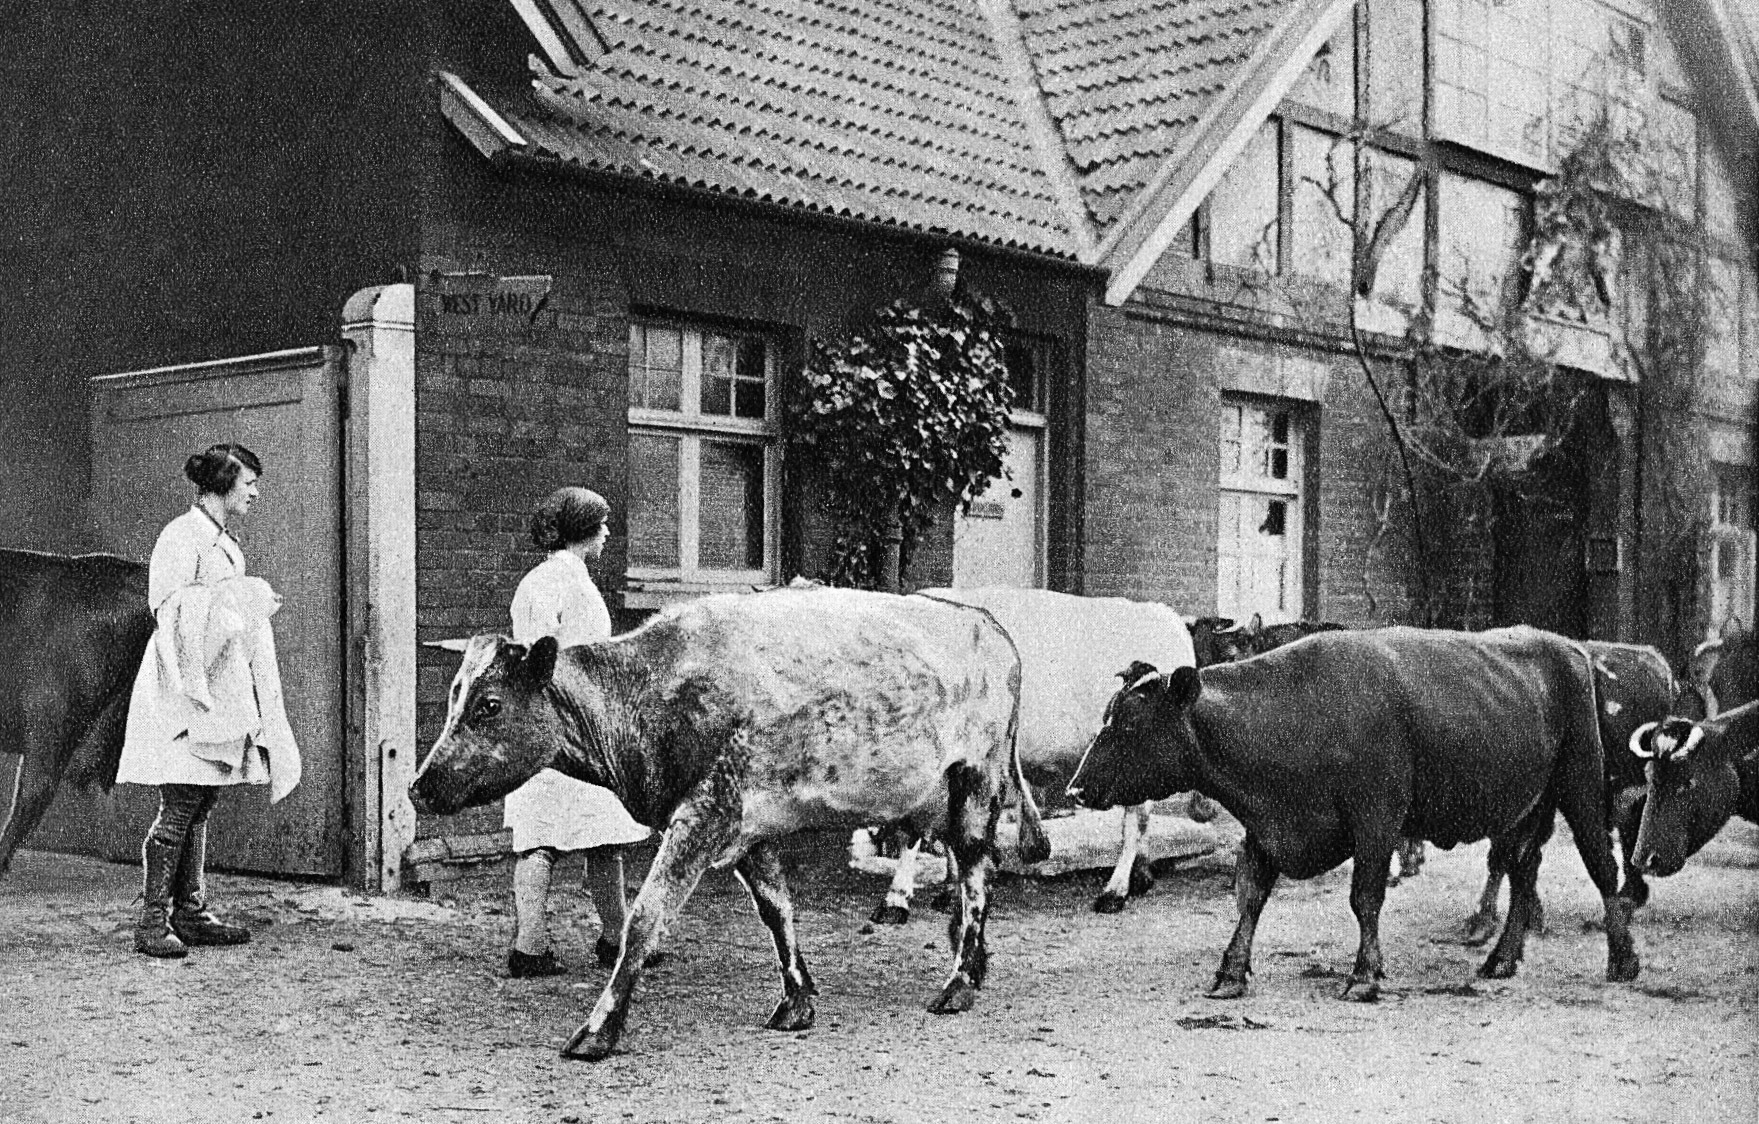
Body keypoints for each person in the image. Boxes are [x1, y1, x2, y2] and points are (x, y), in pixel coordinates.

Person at [116, 443, 301, 958]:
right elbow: (169, 610)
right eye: (249, 483)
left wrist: (241, 602)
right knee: (178, 805)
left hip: (216, 686)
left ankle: (191, 912)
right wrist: (235, 600)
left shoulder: (224, 542)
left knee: (201, 801)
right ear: (223, 485)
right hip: (182, 690)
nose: (255, 492)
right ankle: (153, 922)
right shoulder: (180, 536)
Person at [503, 486, 653, 978]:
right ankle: (535, 945)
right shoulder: (551, 583)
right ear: (583, 532)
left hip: (569, 724)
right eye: (601, 525)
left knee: (590, 835)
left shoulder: (562, 580)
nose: (608, 534)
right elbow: (541, 656)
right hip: (562, 726)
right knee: (553, 837)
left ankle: (612, 937)